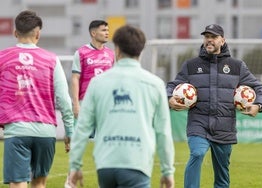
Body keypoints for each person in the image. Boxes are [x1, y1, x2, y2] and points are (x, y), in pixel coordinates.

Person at [67, 25, 175, 188]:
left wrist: (75, 166)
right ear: (141, 51)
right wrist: (167, 171)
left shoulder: (97, 83)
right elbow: (163, 132)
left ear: (116, 50)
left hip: (106, 165)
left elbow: (82, 127)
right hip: (137, 163)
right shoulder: (155, 84)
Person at [166, 24, 262, 188]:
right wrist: (169, 98)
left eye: (213, 37)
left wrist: (258, 105)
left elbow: (259, 88)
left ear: (223, 40)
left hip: (224, 127)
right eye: (206, 37)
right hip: (198, 123)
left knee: (222, 174)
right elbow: (172, 85)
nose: (209, 40)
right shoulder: (191, 65)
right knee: (197, 153)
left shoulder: (237, 66)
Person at [0, 10, 74, 188]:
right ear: (38, 33)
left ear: (15, 33)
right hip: (46, 133)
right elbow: (64, 99)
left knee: (18, 184)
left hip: (16, 132)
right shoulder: (52, 59)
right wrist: (70, 131)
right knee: (39, 184)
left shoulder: (2, 57)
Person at [71, 19, 114, 127]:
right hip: (85, 103)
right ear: (93, 33)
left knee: (104, 139)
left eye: (108, 30)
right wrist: (75, 104)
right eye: (104, 30)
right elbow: (75, 78)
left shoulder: (111, 54)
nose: (107, 33)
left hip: (106, 103)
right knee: (83, 140)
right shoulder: (81, 53)